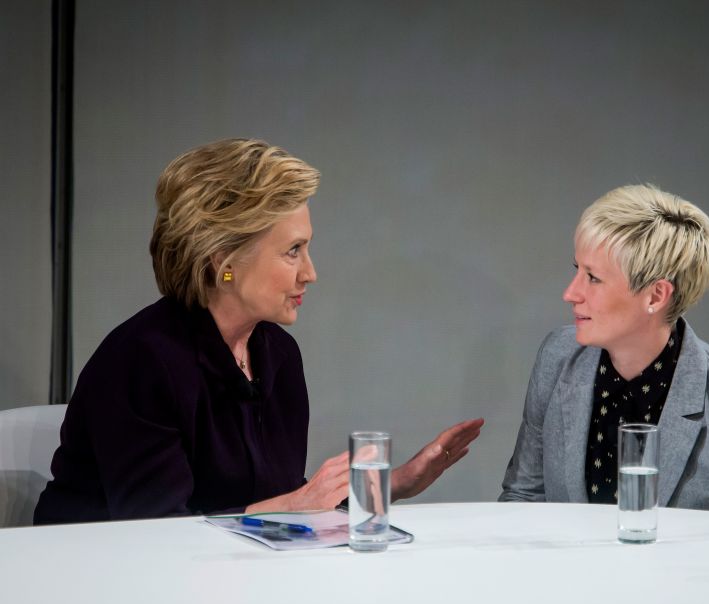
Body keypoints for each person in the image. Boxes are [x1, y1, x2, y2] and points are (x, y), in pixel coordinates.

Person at [34, 138, 483, 524]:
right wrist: (293, 506)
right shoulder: (142, 360)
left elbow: (276, 501)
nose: (310, 273)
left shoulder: (277, 355)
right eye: (293, 251)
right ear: (223, 262)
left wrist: (396, 483)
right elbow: (157, 536)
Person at [499, 184, 709, 518]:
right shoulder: (557, 357)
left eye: (593, 278)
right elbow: (523, 498)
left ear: (655, 296)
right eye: (576, 270)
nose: (571, 293)